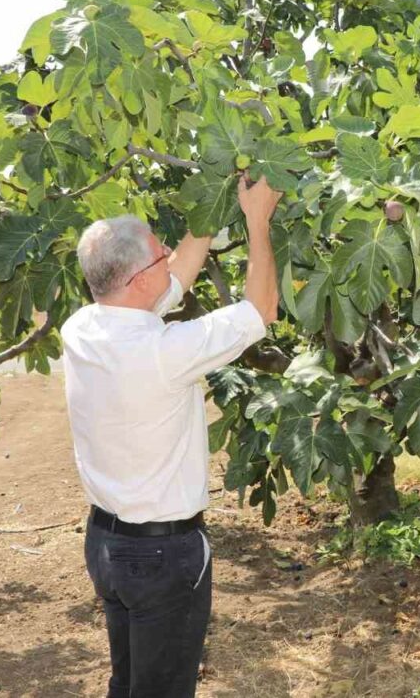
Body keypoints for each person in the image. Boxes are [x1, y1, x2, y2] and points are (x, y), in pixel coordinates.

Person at [63, 174, 281, 698]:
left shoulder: (84, 327)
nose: (169, 254)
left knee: (131, 682)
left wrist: (215, 201)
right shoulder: (165, 352)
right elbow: (262, 309)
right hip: (161, 557)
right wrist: (257, 220)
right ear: (138, 279)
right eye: (159, 253)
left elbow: (173, 277)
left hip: (107, 546)